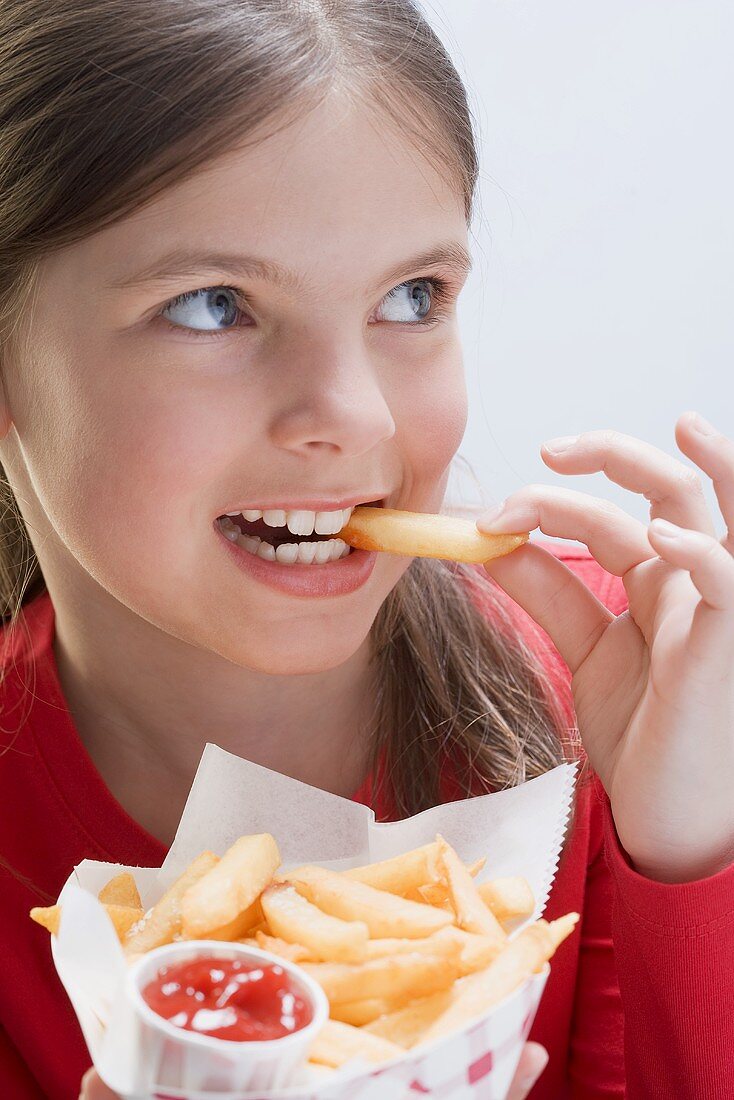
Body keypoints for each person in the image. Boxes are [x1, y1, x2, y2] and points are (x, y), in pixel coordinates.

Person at [0, 2, 731, 1097]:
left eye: (411, 296)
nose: (355, 415)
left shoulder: (650, 694)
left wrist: (687, 843)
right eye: (212, 306)